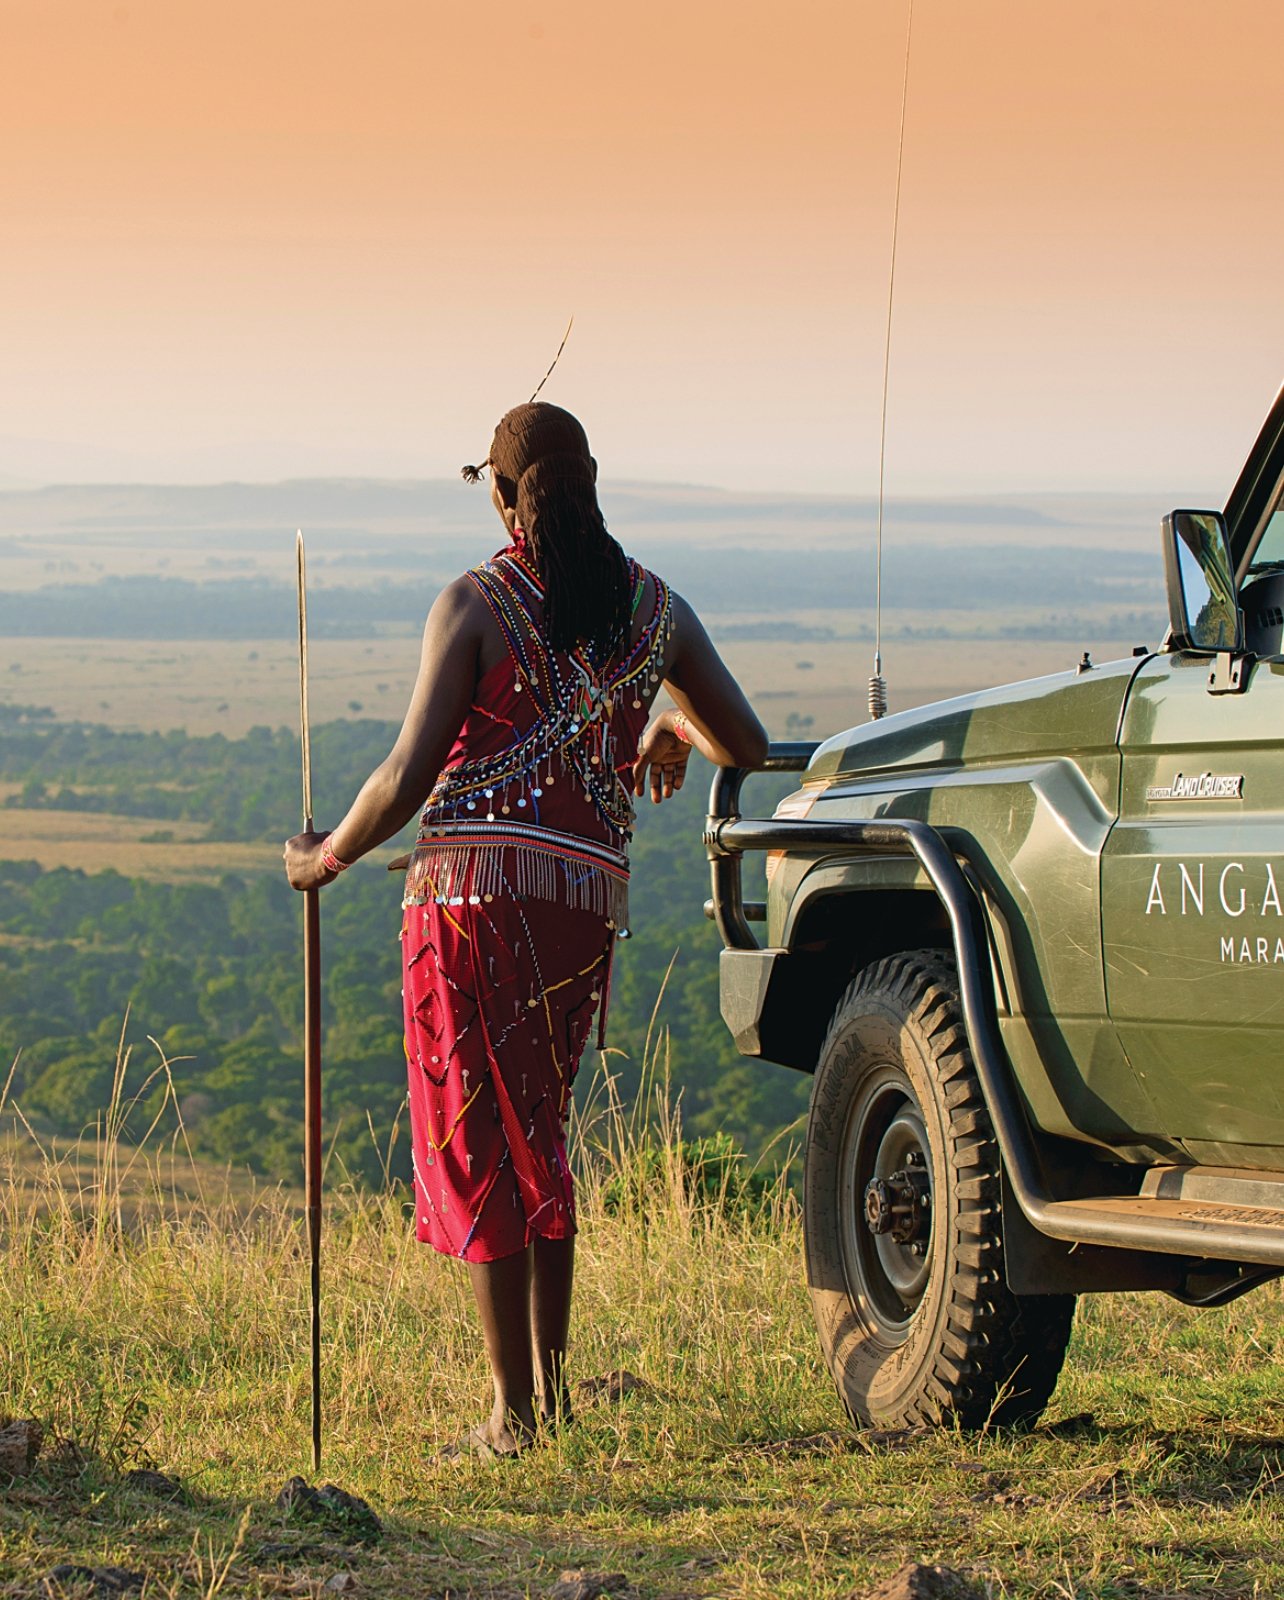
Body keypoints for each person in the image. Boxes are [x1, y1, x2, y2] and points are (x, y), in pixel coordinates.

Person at [284, 401, 766, 1456]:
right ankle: (546, 1394)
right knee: (539, 1133)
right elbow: (751, 739)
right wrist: (666, 721)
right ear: (592, 483)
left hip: (464, 907)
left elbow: (407, 777)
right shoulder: (654, 611)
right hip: (578, 915)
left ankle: (512, 1414)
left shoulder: (476, 602)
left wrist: (323, 858)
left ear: (502, 497)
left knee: (475, 1143)